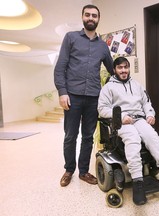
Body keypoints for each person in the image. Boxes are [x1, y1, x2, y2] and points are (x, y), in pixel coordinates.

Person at [98, 57, 159, 205]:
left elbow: (146, 102)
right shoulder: (108, 88)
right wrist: (121, 117)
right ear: (114, 70)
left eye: (126, 67)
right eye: (120, 68)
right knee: (133, 139)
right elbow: (102, 109)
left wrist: (150, 114)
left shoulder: (137, 85)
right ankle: (137, 181)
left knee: (153, 137)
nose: (123, 70)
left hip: (139, 119)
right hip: (121, 122)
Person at [54, 4, 114, 187]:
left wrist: (126, 83)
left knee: (88, 136)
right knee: (70, 136)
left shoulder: (103, 46)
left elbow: (113, 70)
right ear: (82, 17)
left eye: (94, 15)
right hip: (72, 96)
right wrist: (62, 92)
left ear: (98, 19)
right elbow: (60, 68)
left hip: (93, 98)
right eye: (87, 15)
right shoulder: (71, 38)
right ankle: (69, 170)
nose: (91, 18)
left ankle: (83, 171)